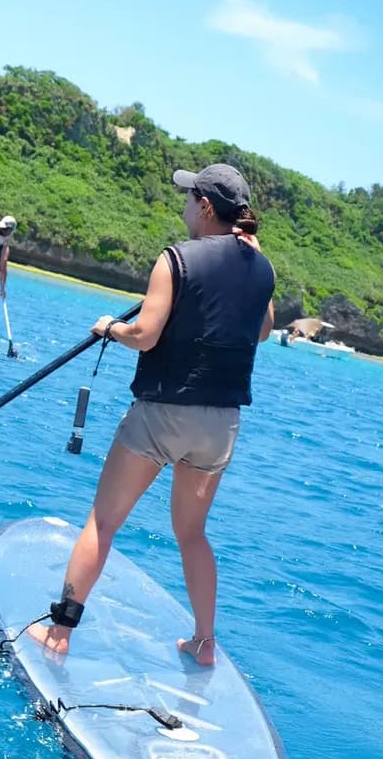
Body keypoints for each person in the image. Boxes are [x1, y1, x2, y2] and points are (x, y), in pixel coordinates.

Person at [29, 164, 275, 667]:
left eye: (188, 197)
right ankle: (204, 644)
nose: (182, 205)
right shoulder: (263, 266)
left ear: (206, 206)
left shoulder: (175, 259)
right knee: (191, 533)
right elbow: (263, 330)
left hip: (163, 413)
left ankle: (59, 633)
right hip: (220, 424)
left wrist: (109, 329)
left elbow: (145, 334)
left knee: (103, 521)